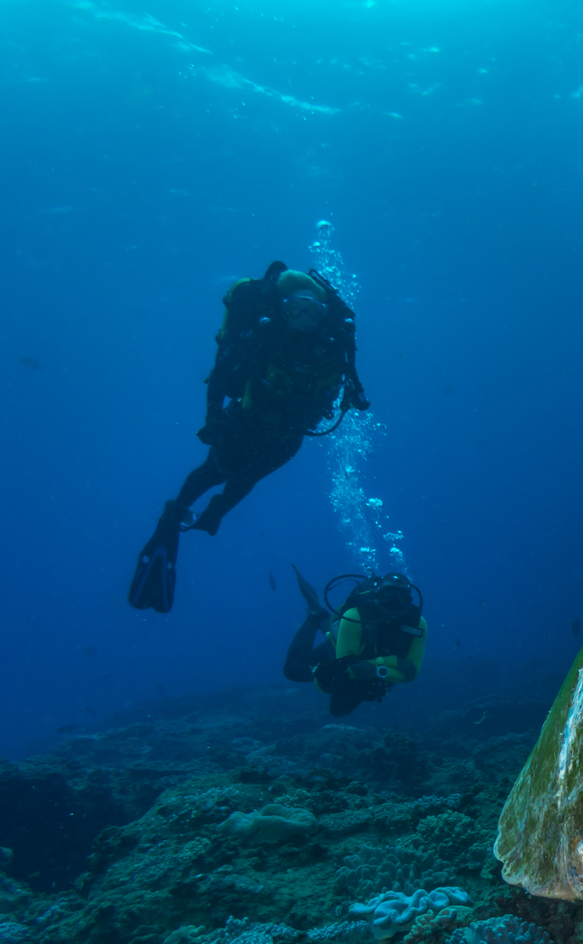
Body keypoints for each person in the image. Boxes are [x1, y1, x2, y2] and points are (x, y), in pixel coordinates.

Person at [127, 262, 370, 613]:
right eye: (295, 309)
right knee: (215, 469)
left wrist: (354, 396)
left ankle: (217, 511)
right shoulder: (263, 334)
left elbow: (352, 379)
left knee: (251, 475)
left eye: (312, 310)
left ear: (323, 313)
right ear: (283, 310)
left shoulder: (334, 341)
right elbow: (221, 371)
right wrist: (212, 418)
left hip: (291, 435)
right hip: (247, 421)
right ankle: (173, 515)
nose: (304, 318)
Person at [284, 565, 426, 717]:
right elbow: (348, 668)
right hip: (340, 651)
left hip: (364, 658)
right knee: (293, 671)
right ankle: (315, 616)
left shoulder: (418, 624)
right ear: (378, 596)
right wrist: (397, 663)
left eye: (401, 598)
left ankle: (325, 623)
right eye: (387, 597)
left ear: (409, 602)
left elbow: (412, 672)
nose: (393, 605)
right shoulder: (355, 616)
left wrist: (376, 671)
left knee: (340, 710)